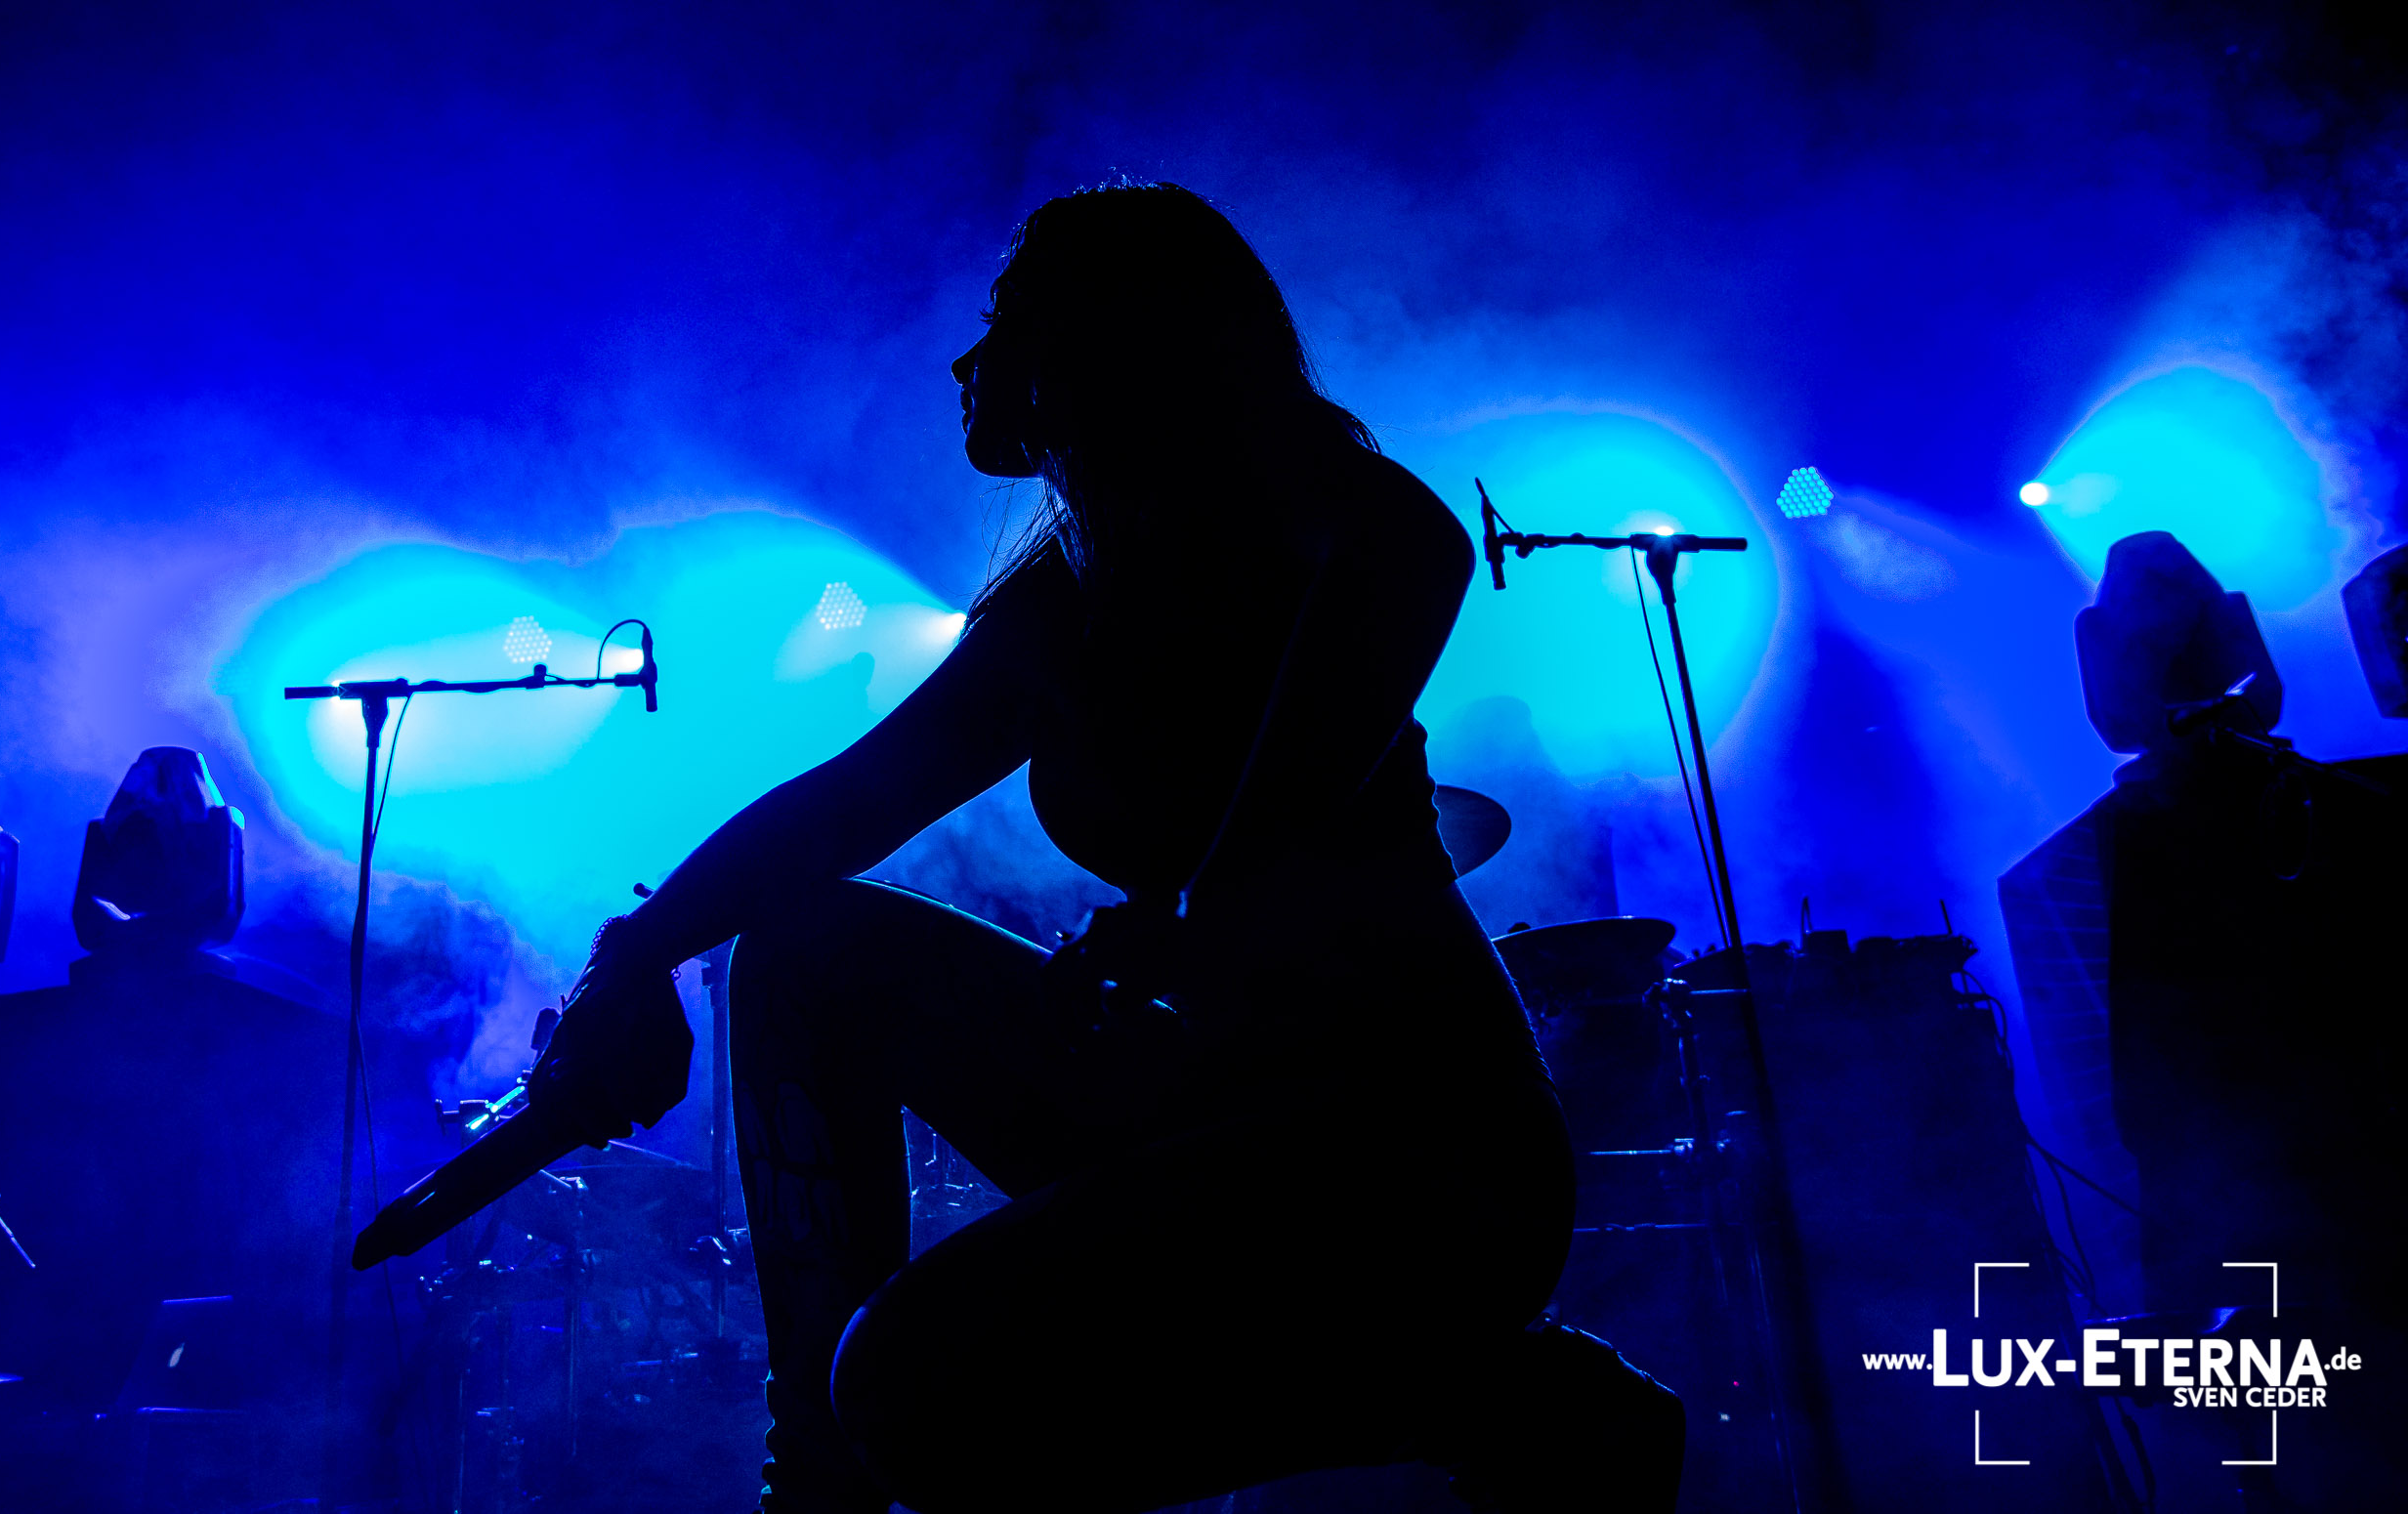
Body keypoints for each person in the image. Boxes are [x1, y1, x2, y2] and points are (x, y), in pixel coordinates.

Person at [531, 182, 1683, 1514]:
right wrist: (636, 953)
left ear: (1106, 342)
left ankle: (1495, 1397)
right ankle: (822, 1495)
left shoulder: (1305, 503)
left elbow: (1406, 567)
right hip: (1224, 1104)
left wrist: (1201, 912)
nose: (966, 363)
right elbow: (843, 805)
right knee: (804, 952)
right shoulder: (1062, 605)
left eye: (1005, 321)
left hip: (1415, 1147)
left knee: (916, 1385)